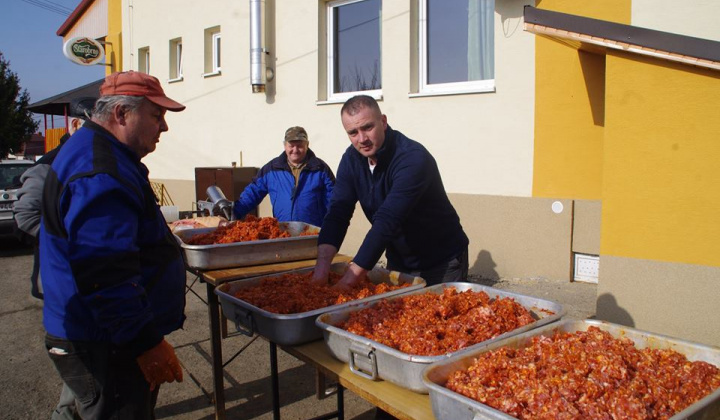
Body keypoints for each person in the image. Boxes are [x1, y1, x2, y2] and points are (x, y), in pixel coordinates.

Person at [39, 71, 187, 420]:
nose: (163, 127)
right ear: (122, 114)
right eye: (156, 115)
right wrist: (146, 343)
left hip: (101, 335)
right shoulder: (101, 172)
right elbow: (106, 273)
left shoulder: (99, 152)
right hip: (106, 343)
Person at [311, 95, 469, 289]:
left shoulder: (412, 158)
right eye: (353, 132)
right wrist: (321, 270)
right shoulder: (351, 159)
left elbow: (388, 220)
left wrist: (347, 283)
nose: (362, 139)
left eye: (368, 127)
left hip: (441, 261)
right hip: (398, 260)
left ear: (383, 121)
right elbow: (338, 212)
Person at [14, 96, 96, 299]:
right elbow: (25, 217)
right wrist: (74, 242)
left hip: (93, 279)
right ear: (75, 125)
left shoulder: (95, 160)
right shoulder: (51, 164)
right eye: (97, 128)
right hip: (61, 279)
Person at [232, 126, 335, 227]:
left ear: (307, 145)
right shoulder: (271, 169)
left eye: (299, 145)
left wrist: (332, 230)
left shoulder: (321, 169)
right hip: (283, 233)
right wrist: (233, 212)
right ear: (284, 145)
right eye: (291, 145)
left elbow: (334, 201)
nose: (295, 150)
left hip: (312, 235)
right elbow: (253, 193)